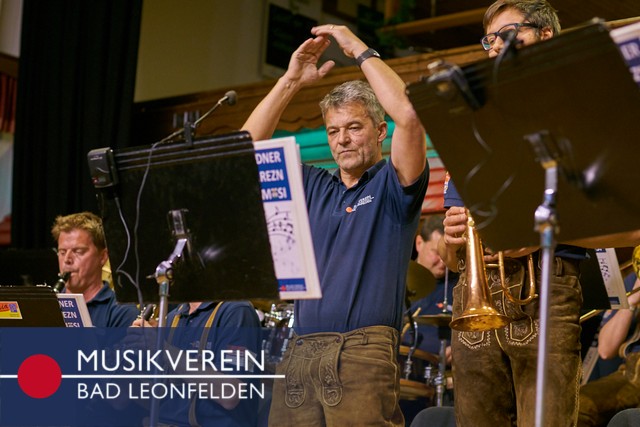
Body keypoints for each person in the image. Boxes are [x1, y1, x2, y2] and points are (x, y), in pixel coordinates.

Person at [242, 24, 429, 426]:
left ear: (380, 131)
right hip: (300, 351)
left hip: (364, 351)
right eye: (333, 130)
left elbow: (410, 115)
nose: (342, 139)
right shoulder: (313, 184)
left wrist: (357, 48)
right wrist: (291, 81)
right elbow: (244, 151)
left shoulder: (392, 182)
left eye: (354, 127)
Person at [436, 2, 587, 426]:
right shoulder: (475, 121)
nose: (493, 48)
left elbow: (608, 216)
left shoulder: (578, 110)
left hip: (545, 285)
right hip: (476, 292)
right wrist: (452, 238)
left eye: (506, 34)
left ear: (545, 35)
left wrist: (538, 236)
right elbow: (450, 258)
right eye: (488, 40)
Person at [131, 300, 263, 427]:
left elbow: (230, 393)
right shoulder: (174, 317)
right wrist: (127, 380)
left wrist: (163, 348)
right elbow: (164, 400)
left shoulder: (239, 312)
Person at [51, 211, 138, 327]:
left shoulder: (122, 312)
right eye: (62, 252)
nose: (67, 259)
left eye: (78, 251)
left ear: (103, 257)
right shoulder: (48, 305)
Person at [578, 274, 640, 427]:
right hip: (632, 374)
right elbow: (606, 350)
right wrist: (632, 300)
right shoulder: (634, 279)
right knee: (577, 406)